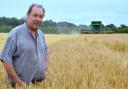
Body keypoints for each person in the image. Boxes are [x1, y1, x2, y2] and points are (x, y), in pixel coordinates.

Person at [0, 3, 48, 87]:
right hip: (20, 86)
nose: (38, 19)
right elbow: (5, 59)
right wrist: (19, 83)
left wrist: (45, 67)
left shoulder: (40, 34)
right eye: (35, 15)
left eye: (41, 16)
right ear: (28, 15)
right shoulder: (15, 34)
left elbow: (45, 49)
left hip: (39, 84)